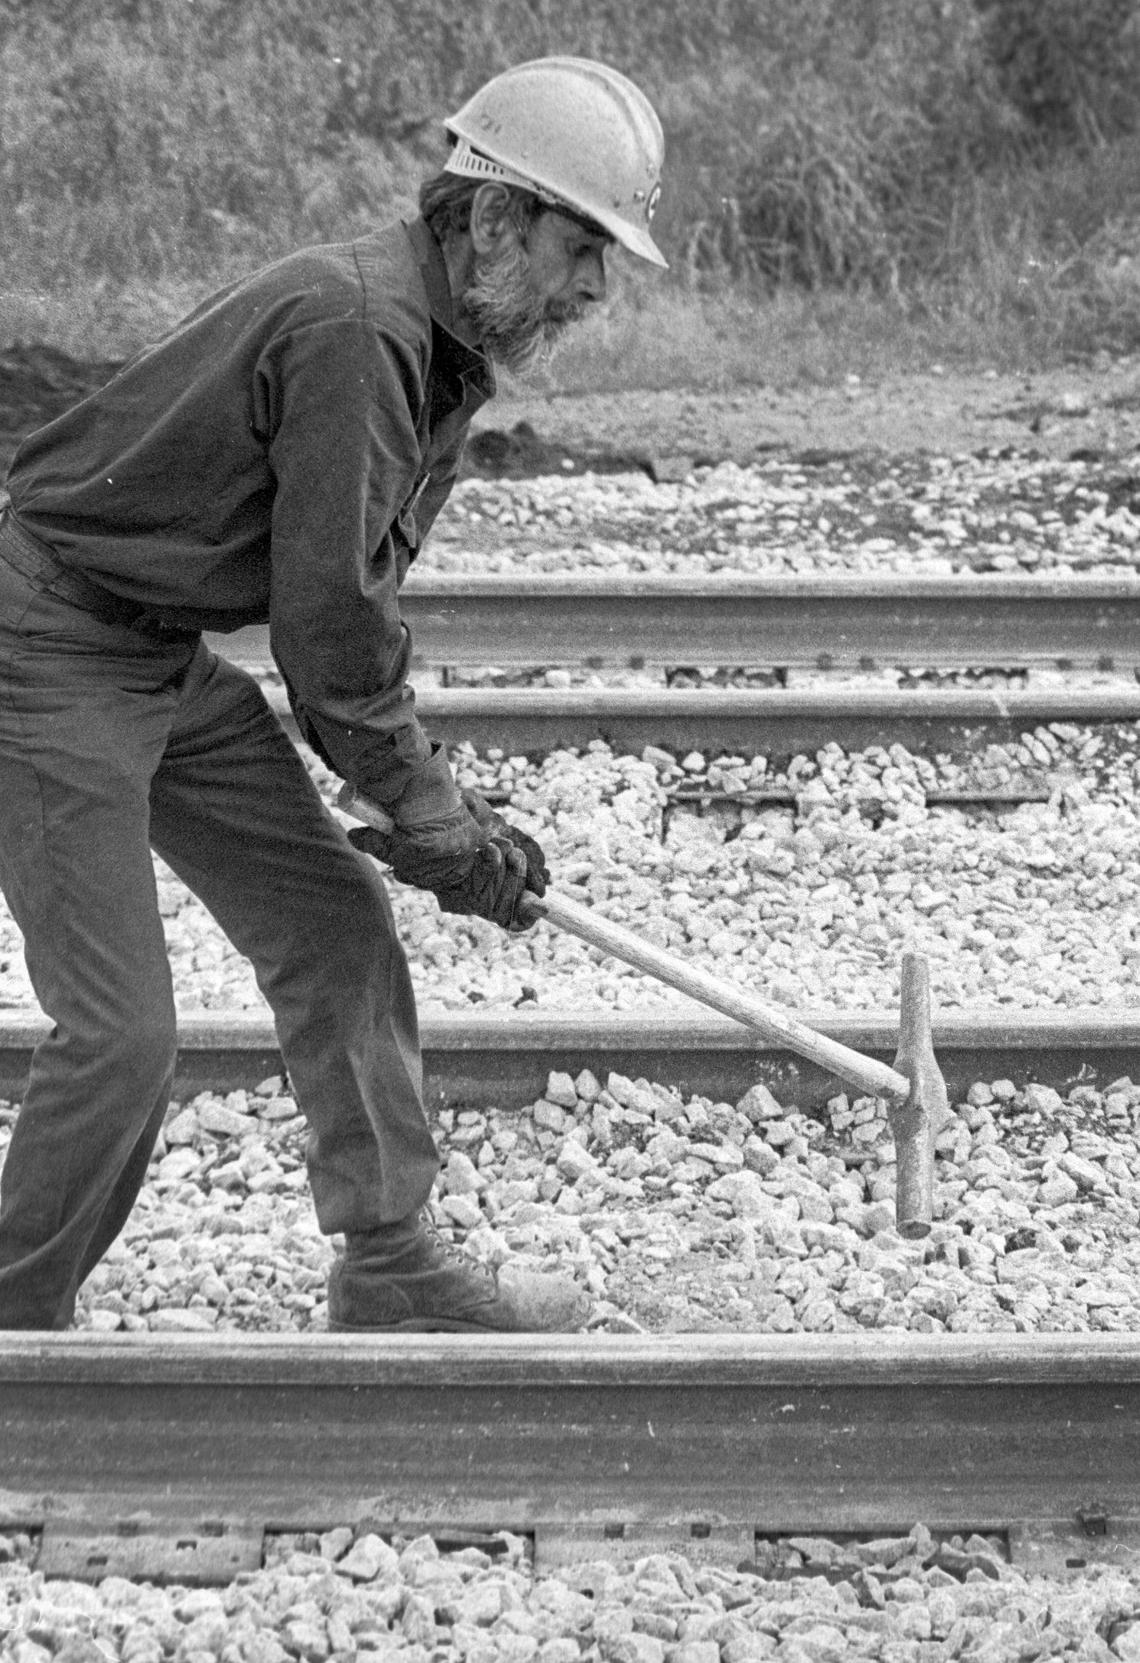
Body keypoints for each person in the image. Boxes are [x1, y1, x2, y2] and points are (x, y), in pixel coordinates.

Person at [0, 57, 667, 1332]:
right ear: (495, 218)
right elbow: (328, 628)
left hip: (152, 650)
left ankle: (390, 1260)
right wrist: (428, 806)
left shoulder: (441, 349)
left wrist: (434, 809)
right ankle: (15, 1331)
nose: (596, 287)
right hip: (46, 644)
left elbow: (353, 605)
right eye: (584, 246)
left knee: (332, 919)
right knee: (123, 1035)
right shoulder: (361, 333)